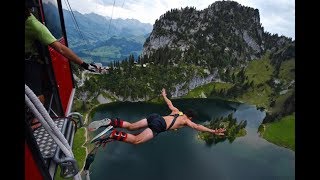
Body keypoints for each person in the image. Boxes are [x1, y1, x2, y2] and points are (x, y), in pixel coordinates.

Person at [25, 0, 99, 129]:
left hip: (29, 61)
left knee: (37, 93)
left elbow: (61, 48)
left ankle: (36, 121)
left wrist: (84, 65)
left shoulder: (34, 25)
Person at [88, 88, 226, 145]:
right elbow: (197, 127)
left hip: (155, 117)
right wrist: (213, 131)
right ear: (190, 117)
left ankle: (110, 121)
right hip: (159, 125)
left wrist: (164, 95)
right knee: (136, 140)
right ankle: (113, 134)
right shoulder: (186, 121)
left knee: (130, 126)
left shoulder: (177, 111)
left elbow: (170, 103)